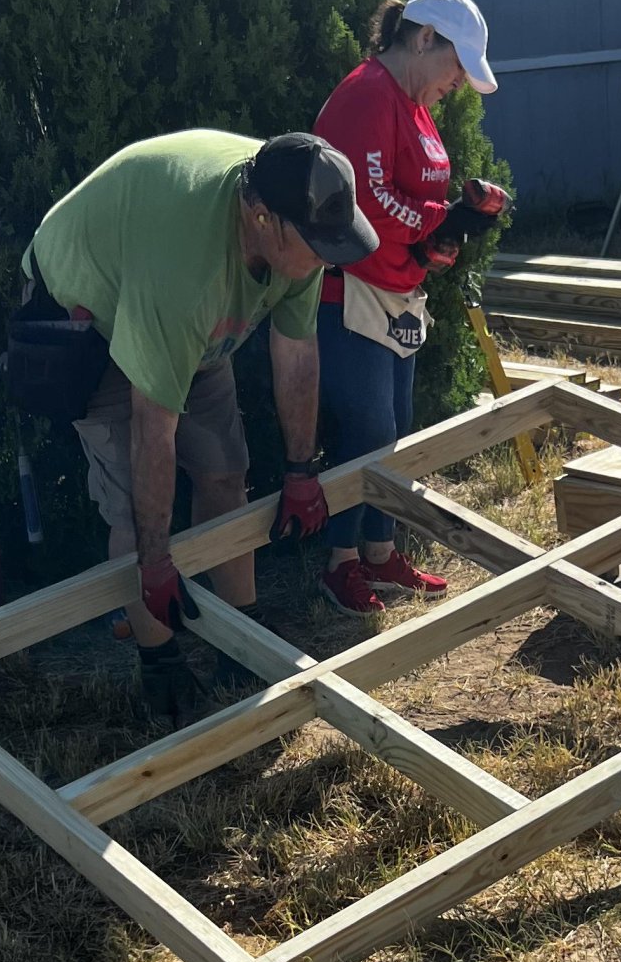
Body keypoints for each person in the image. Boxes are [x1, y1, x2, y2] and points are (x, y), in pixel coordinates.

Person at [23, 129, 378, 710]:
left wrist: (300, 469)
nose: (327, 258)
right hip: (92, 308)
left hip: (184, 307)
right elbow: (152, 428)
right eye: (318, 246)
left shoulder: (301, 225)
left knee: (224, 471)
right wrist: (156, 561)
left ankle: (240, 629)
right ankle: (159, 658)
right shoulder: (183, 271)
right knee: (131, 509)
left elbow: (296, 351)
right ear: (261, 219)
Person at [311, 0, 509, 613]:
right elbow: (367, 205)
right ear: (424, 38)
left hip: (396, 287)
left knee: (394, 432)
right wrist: (438, 222)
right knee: (366, 432)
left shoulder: (412, 103)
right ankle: (340, 563)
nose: (458, 82)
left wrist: (438, 239)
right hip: (352, 289)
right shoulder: (368, 94)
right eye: (457, 66)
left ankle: (379, 551)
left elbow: (407, 201)